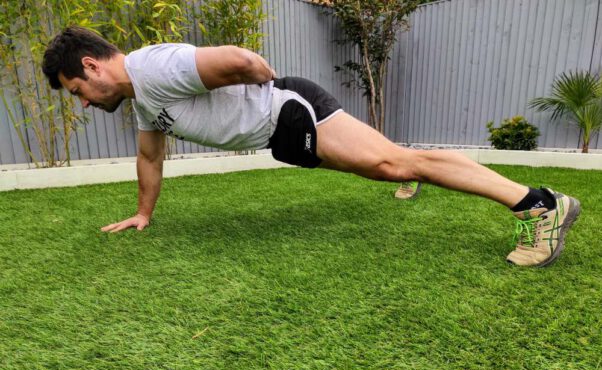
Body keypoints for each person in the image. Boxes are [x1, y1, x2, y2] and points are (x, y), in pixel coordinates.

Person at [42, 26, 580, 267]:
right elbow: (149, 155)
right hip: (282, 132)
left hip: (288, 109)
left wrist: (265, 83)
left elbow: (239, 59)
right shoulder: (141, 98)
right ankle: (411, 169)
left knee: (393, 162)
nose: (84, 104)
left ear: (90, 65)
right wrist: (142, 213)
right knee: (392, 164)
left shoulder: (151, 68)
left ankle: (540, 205)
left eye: (78, 91)